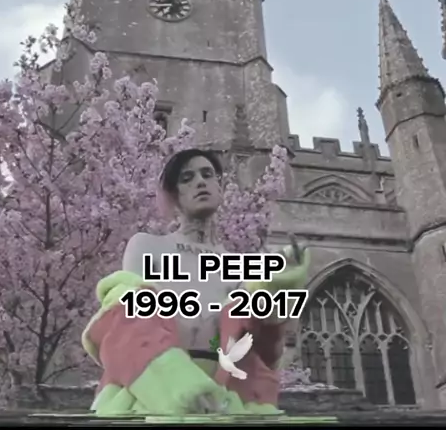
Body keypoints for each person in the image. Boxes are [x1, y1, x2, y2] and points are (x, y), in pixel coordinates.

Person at [81, 148, 311, 416]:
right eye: (187, 178)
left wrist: (279, 283)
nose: (200, 182)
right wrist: (181, 389)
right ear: (174, 195)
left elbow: (263, 350)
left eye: (207, 174)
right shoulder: (148, 247)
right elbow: (129, 324)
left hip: (223, 403)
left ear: (220, 187)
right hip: (150, 397)